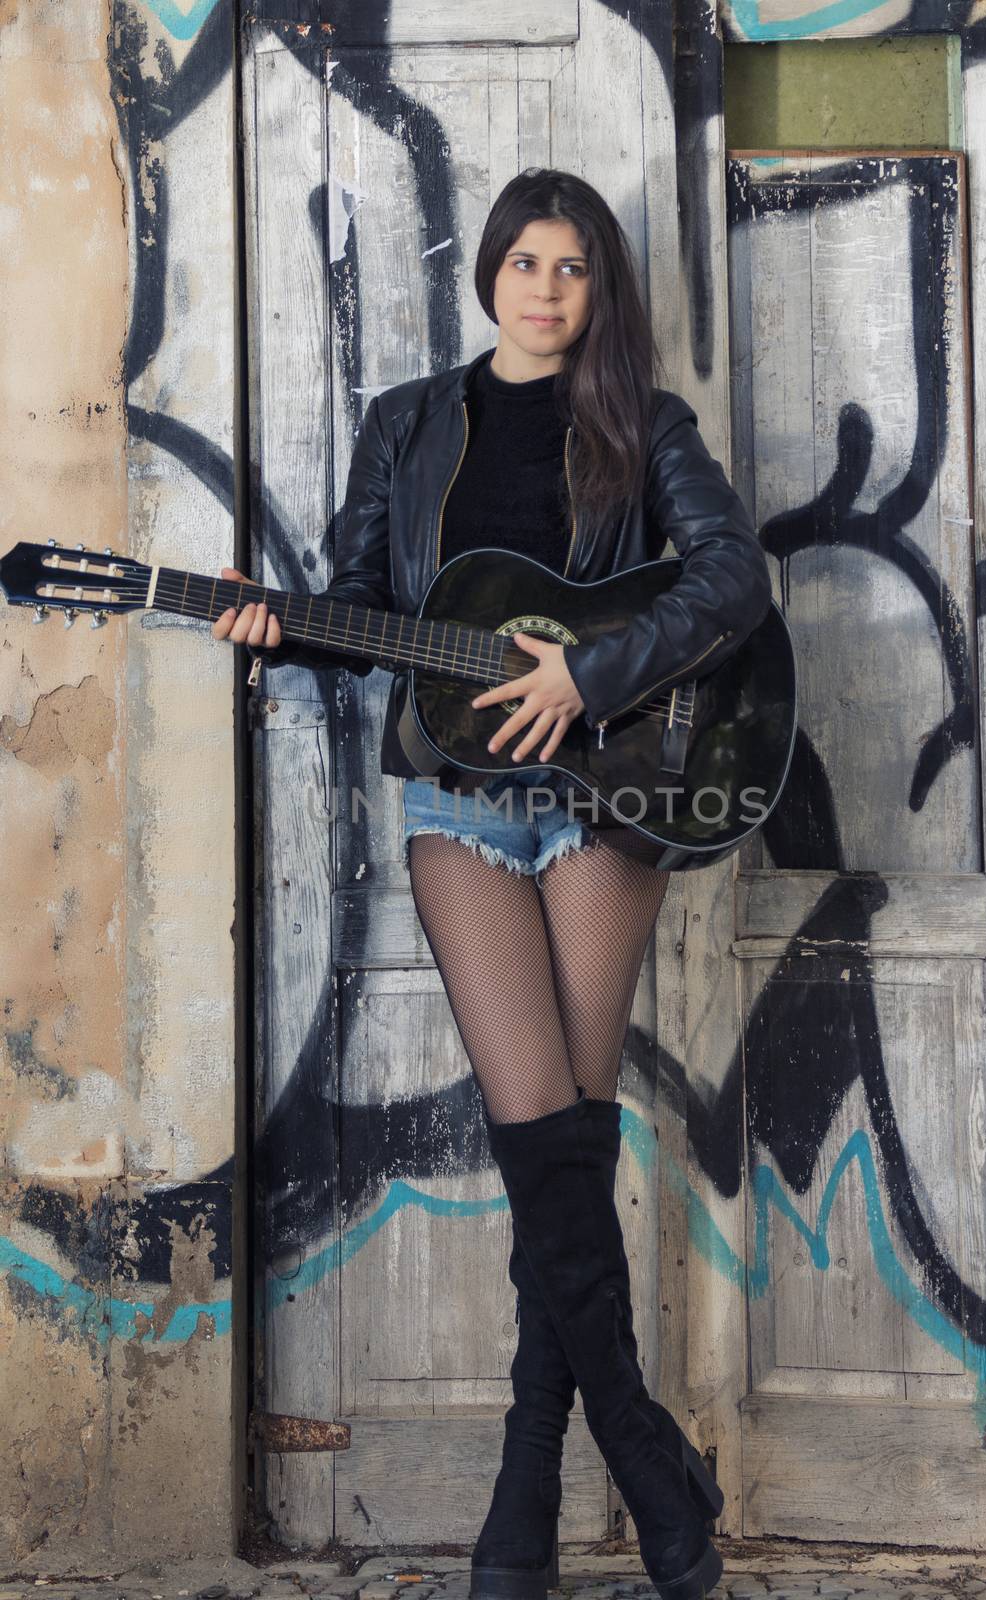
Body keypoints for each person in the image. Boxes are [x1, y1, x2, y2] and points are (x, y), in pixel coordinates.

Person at [214, 168, 770, 1600]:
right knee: (550, 1148)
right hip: (458, 807)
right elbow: (371, 616)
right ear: (490, 276)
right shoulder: (408, 423)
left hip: (603, 804)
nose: (543, 286)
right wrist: (286, 628)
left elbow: (732, 584)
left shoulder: (644, 426)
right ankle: (644, 1459)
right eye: (524, 260)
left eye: (574, 266)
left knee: (558, 1169)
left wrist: (591, 669)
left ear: (600, 291)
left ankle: (526, 1490)